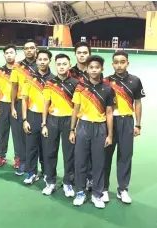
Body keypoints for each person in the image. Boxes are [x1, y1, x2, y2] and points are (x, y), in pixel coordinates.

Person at [69, 55, 115, 209]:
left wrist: (109, 135)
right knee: (80, 161)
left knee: (99, 162)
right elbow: (75, 110)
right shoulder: (80, 87)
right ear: (87, 69)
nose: (94, 70)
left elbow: (109, 113)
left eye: (97, 67)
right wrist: (72, 130)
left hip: (100, 128)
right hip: (83, 126)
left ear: (102, 69)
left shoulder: (108, 89)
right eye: (91, 67)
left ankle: (97, 194)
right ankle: (80, 192)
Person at [103, 50, 145, 204]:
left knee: (125, 156)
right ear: (112, 64)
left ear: (127, 63)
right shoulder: (106, 81)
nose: (119, 65)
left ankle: (123, 189)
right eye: (116, 62)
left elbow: (138, 104)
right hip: (109, 122)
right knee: (106, 156)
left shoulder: (135, 80)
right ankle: (104, 188)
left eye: (122, 62)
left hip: (127, 122)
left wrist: (138, 124)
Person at [41, 54, 78, 197]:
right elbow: (46, 104)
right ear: (55, 66)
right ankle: (50, 182)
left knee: (69, 154)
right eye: (59, 64)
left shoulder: (76, 84)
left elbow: (77, 107)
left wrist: (73, 128)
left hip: (69, 121)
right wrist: (44, 124)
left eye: (64, 64)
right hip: (52, 121)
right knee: (50, 152)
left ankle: (68, 183)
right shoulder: (49, 83)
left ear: (69, 66)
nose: (61, 67)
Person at [21, 49, 54, 184]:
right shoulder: (29, 78)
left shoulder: (53, 80)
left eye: (45, 59)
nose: (42, 62)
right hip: (32, 116)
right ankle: (31, 173)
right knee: (31, 147)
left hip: (49, 118)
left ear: (49, 61)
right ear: (36, 60)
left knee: (46, 148)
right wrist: (24, 119)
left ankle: (46, 173)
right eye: (39, 59)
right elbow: (24, 99)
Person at [10, 39, 38, 176]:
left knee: (35, 135)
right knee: (20, 135)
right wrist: (12, 107)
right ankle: (22, 162)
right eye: (26, 48)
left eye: (32, 48)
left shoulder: (41, 64)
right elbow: (14, 87)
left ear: (36, 49)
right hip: (21, 104)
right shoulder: (17, 66)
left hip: (37, 106)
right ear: (23, 51)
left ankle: (34, 164)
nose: (29, 50)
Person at [69, 41, 94, 190]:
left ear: (89, 54)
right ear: (75, 54)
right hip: (72, 115)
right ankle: (73, 178)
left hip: (89, 116)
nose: (82, 55)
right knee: (73, 149)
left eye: (85, 52)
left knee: (89, 150)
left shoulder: (94, 71)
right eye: (79, 52)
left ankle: (89, 178)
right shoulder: (69, 72)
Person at [0, 44, 19, 168]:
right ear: (4, 55)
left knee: (17, 133)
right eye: (7, 53)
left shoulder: (21, 69)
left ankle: (18, 158)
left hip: (17, 105)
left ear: (16, 54)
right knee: (1, 132)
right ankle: (1, 156)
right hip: (2, 105)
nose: (9, 55)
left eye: (11, 53)